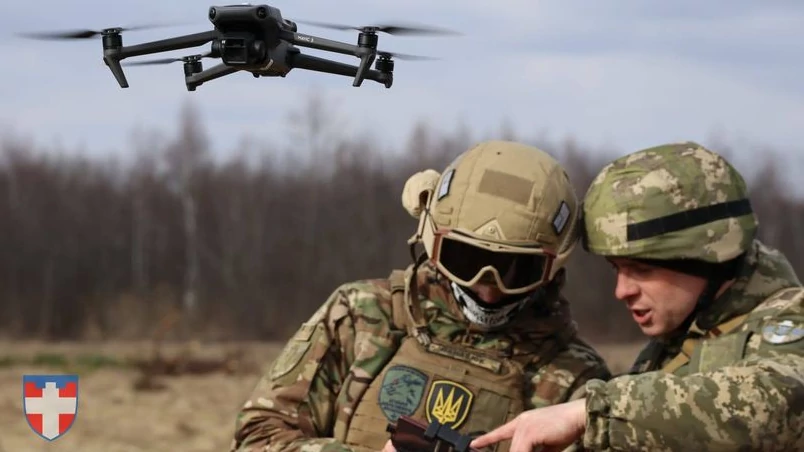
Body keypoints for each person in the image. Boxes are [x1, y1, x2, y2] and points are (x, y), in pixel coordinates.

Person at [229, 140, 612, 452]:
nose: (488, 288)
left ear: (552, 267)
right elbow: (257, 436)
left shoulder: (576, 379)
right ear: (433, 242)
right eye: (467, 260)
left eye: (515, 269)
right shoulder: (364, 316)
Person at [471, 141, 804, 452]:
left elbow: (780, 401)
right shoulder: (671, 348)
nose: (622, 291)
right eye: (616, 269)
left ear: (708, 256)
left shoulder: (789, 319)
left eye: (642, 270)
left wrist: (592, 413)